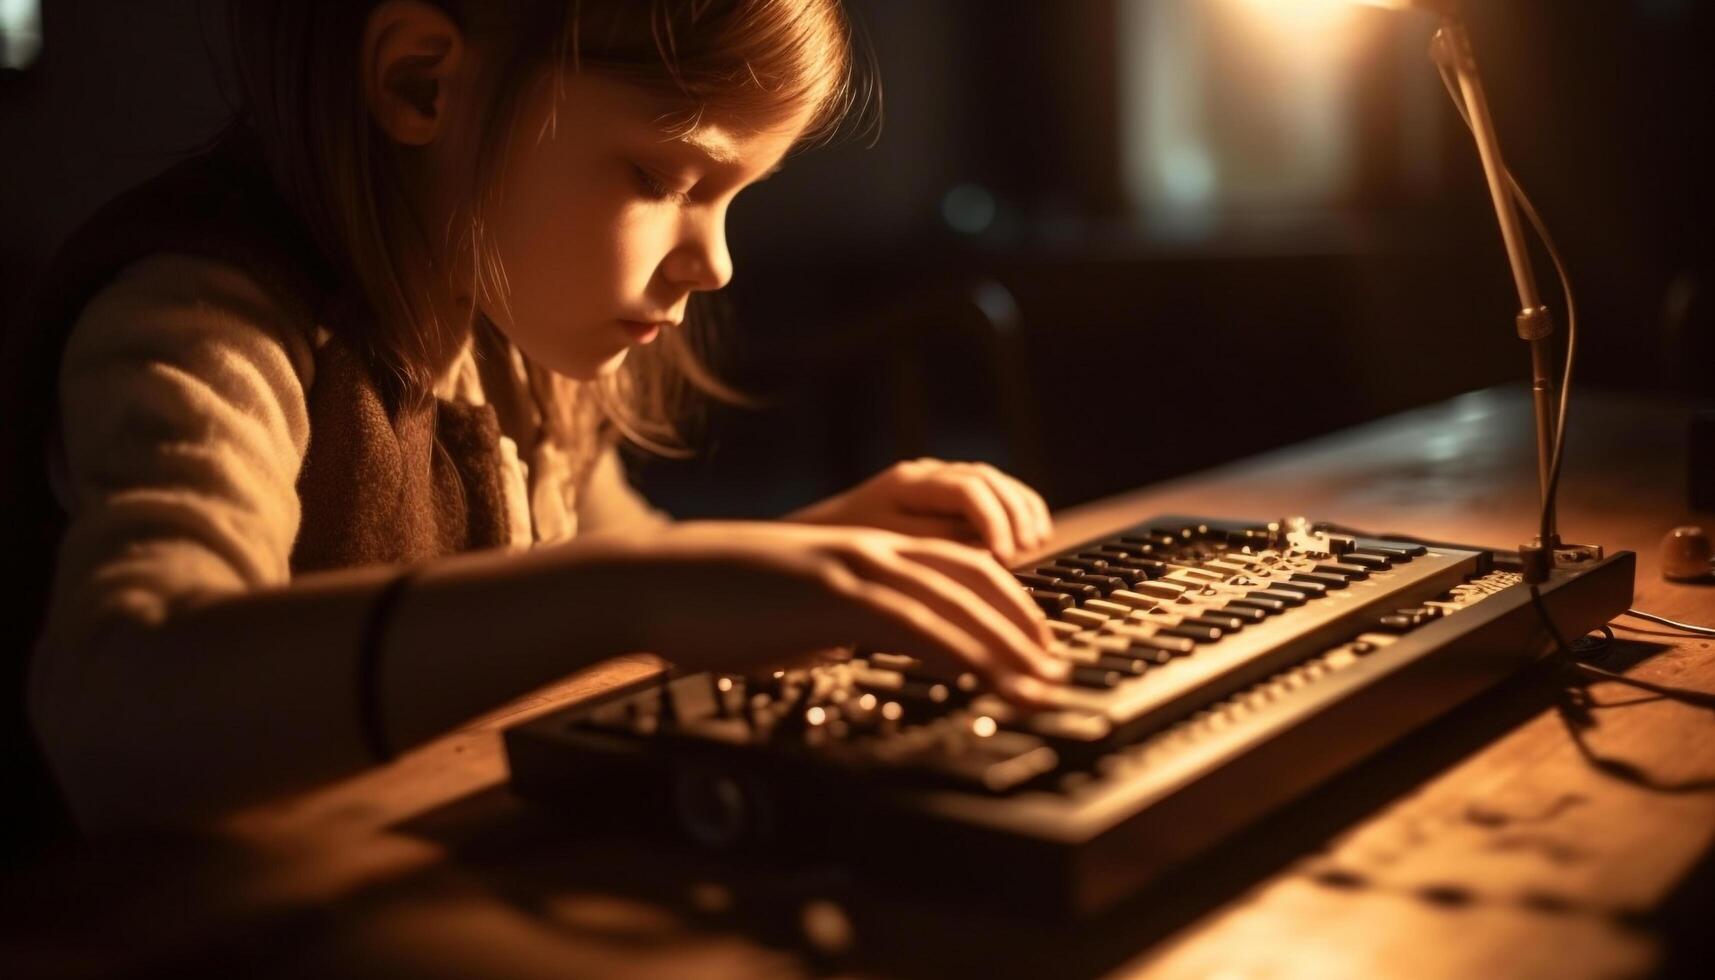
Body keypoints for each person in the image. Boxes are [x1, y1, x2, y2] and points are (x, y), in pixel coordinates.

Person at [9, 0, 1068, 835]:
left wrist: (813, 559)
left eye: (734, 194)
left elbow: (619, 578)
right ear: (420, 82)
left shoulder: (507, 325)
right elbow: (118, 712)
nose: (715, 260)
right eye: (662, 174)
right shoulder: (204, 316)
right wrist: (649, 592)